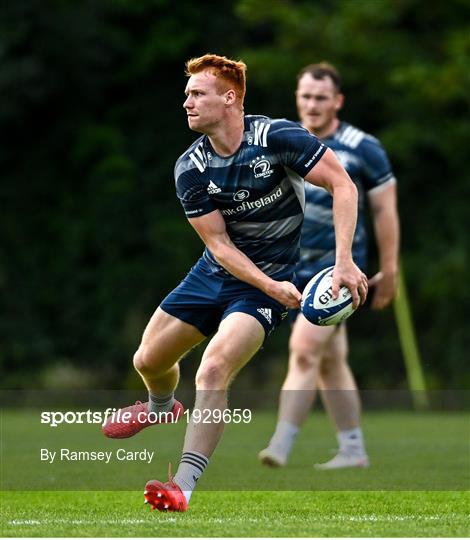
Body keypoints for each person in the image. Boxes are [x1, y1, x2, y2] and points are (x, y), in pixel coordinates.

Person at [102, 54, 367, 512]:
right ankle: (161, 406)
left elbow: (343, 185)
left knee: (212, 368)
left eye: (197, 94)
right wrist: (268, 284)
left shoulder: (277, 137)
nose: (186, 102)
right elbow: (220, 245)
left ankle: (182, 486)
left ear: (229, 99)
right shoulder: (191, 166)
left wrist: (343, 262)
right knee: (147, 359)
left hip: (265, 287)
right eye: (186, 94)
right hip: (217, 273)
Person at [259, 62, 400, 470]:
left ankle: (279, 446)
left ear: (337, 101)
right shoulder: (281, 137)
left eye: (321, 97)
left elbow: (385, 211)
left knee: (303, 350)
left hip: (336, 273)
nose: (312, 104)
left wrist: (388, 270)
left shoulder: (362, 146)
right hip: (287, 268)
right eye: (305, 96)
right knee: (330, 360)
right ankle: (353, 449)